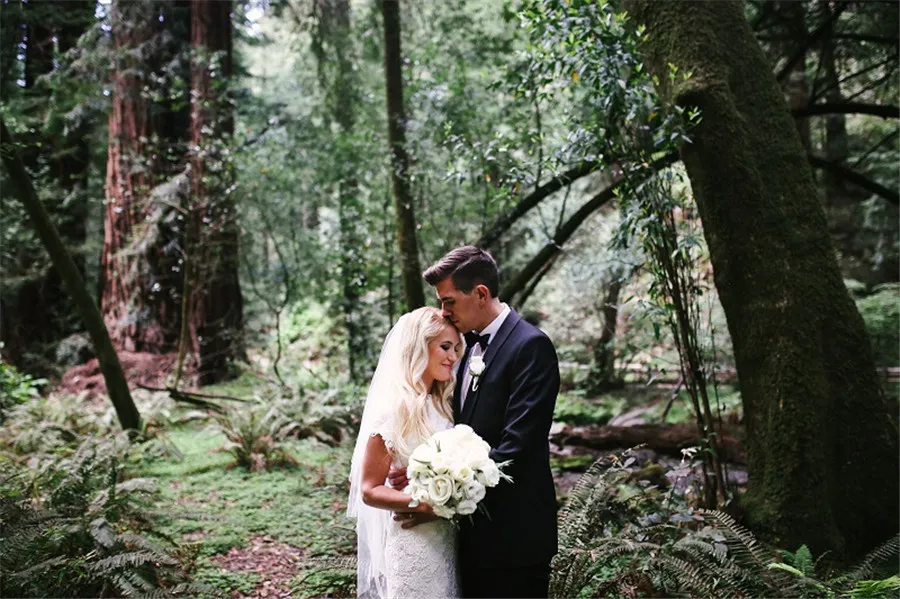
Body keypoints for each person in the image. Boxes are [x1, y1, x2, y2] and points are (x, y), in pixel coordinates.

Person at [391, 245, 561, 598]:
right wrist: (421, 474)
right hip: (467, 538)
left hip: (514, 539)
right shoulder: (463, 347)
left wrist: (440, 504)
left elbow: (516, 448)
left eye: (449, 301)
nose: (443, 311)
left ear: (481, 294)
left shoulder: (532, 347)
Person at [347, 306, 463, 599]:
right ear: (419, 347)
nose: (453, 357)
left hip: (448, 540)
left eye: (456, 348)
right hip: (414, 541)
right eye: (445, 347)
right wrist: (425, 505)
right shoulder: (393, 410)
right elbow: (370, 490)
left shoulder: (444, 404)